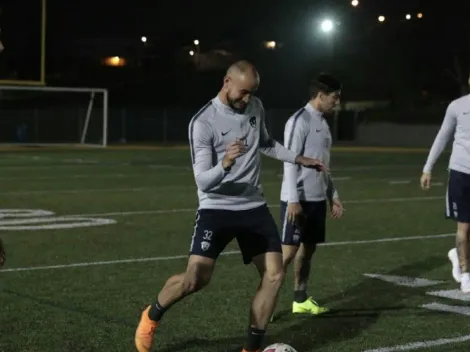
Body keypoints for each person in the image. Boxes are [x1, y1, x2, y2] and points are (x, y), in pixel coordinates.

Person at [134, 60, 327, 352]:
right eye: (243, 92)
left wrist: (298, 159)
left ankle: (251, 349)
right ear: (226, 82)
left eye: (252, 93)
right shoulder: (203, 122)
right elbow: (202, 181)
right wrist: (224, 164)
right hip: (216, 207)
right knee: (195, 279)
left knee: (274, 274)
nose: (247, 99)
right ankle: (152, 315)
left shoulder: (255, 107)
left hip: (253, 206)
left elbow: (266, 142)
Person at [278, 73, 344, 317]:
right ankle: (265, 303)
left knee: (308, 252)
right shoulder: (299, 120)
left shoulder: (324, 123)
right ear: (320, 95)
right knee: (286, 256)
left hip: (316, 201)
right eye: (335, 97)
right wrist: (293, 199)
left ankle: (300, 299)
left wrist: (333, 195)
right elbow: (289, 161)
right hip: (298, 201)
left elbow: (323, 165)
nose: (337, 102)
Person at [421, 73, 470, 293]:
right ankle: (466, 274)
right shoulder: (457, 106)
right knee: (464, 227)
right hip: (461, 173)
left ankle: (457, 256)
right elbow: (442, 137)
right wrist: (427, 168)